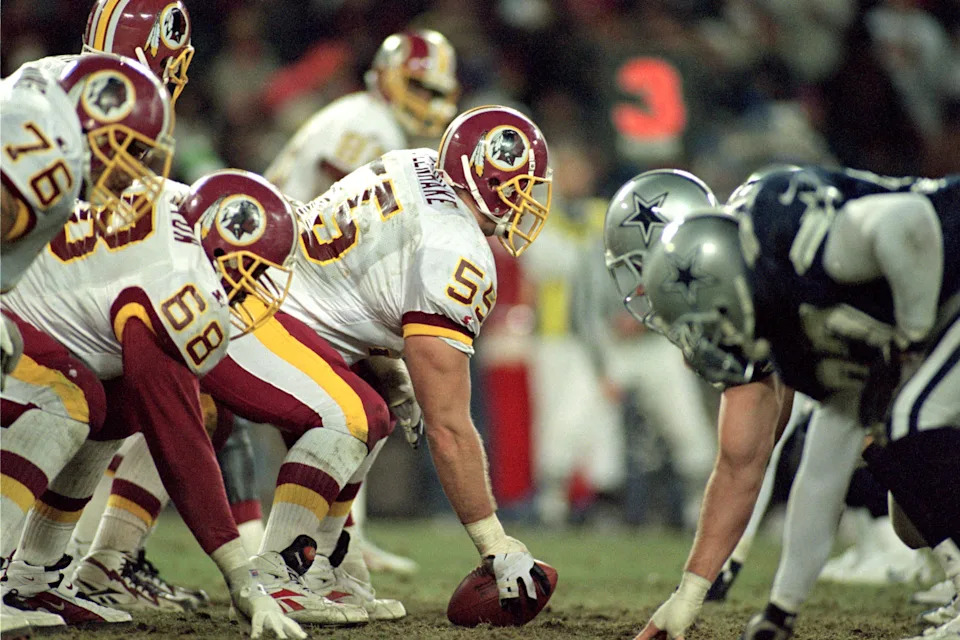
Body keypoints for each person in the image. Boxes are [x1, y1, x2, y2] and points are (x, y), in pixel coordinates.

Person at [639, 167, 960, 640]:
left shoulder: (787, 238)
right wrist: (781, 610)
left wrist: (911, 338)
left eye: (706, 324)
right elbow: (822, 472)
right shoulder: (792, 340)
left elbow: (908, 221)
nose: (706, 345)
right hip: (941, 310)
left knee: (911, 419)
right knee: (910, 519)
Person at [0, 168, 307, 640]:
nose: (253, 288)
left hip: (22, 309)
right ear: (220, 249)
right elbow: (180, 445)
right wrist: (242, 579)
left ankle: (34, 575)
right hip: (9, 318)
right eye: (253, 271)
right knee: (70, 400)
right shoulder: (180, 288)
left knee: (114, 402)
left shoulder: (176, 208)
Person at [0, 52, 175, 635]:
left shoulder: (42, 123)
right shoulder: (44, 153)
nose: (134, 169)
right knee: (63, 397)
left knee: (90, 394)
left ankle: (31, 576)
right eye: (129, 147)